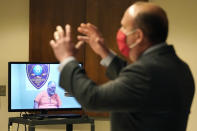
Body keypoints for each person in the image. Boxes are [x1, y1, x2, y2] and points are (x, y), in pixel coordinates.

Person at [49, 2, 195, 131]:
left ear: (138, 36)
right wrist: (104, 52)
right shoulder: (179, 67)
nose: (120, 33)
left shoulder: (146, 72)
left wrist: (66, 58)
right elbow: (135, 87)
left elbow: (93, 98)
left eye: (124, 27)